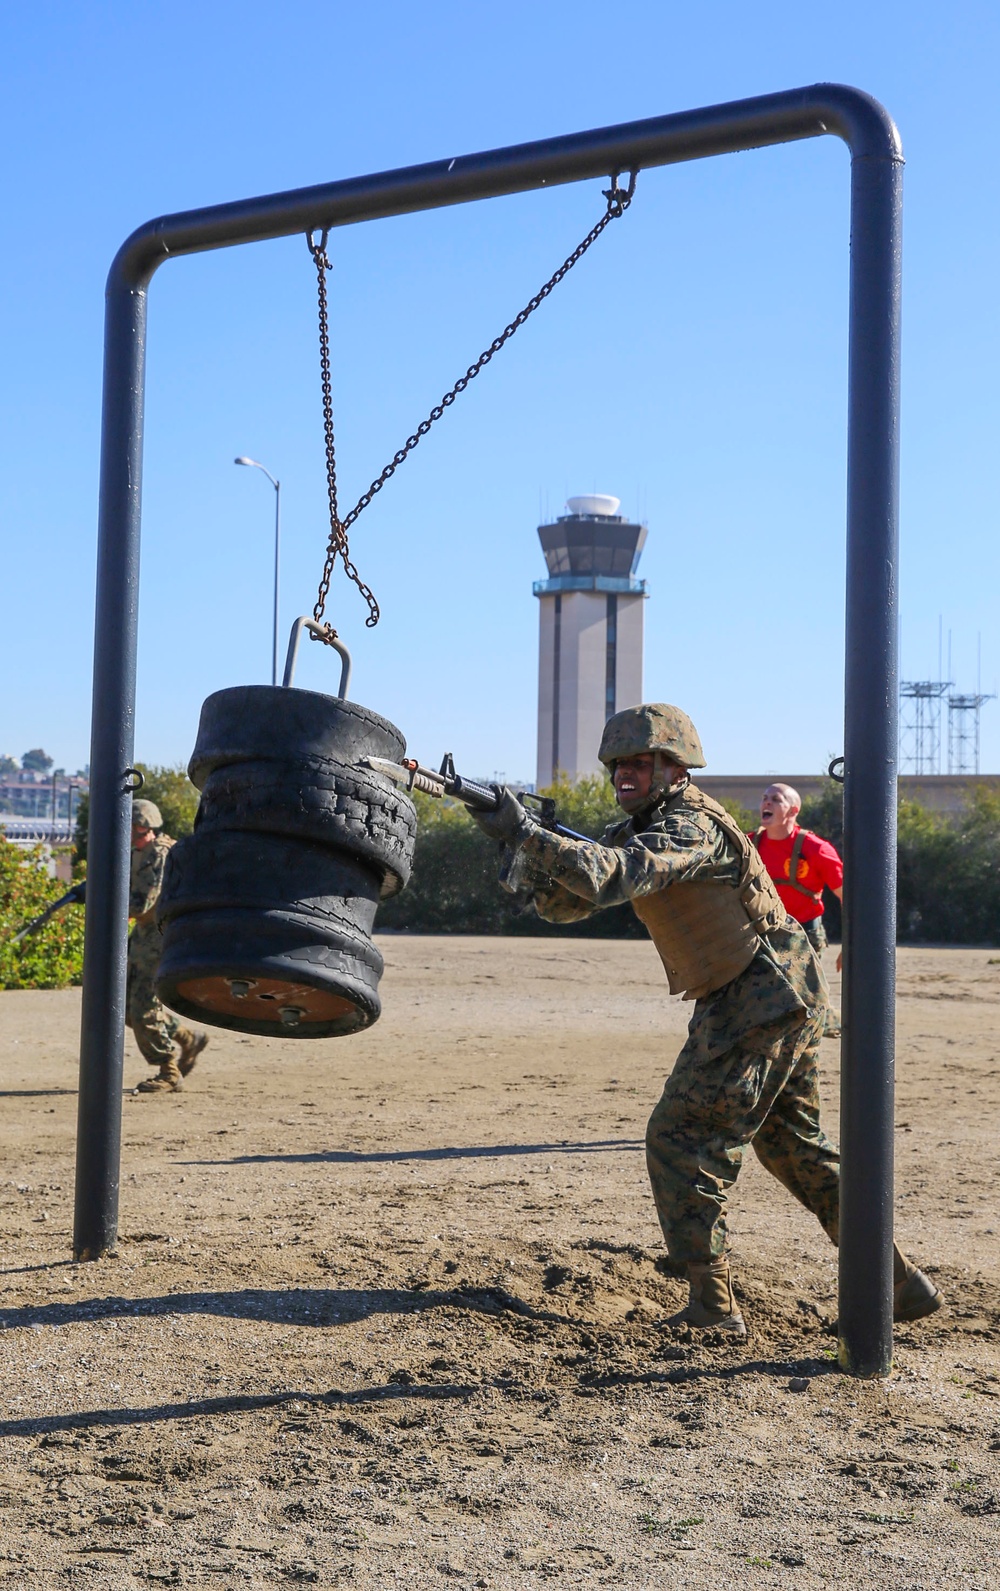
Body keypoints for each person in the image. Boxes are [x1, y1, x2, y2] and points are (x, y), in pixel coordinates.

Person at [471, 704, 942, 1337]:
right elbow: (565, 904)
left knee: (680, 1136)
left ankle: (713, 1306)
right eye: (619, 764)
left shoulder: (691, 825)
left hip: (761, 992)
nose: (626, 774)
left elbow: (613, 878)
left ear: (675, 767)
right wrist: (516, 843)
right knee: (794, 1148)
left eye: (642, 762)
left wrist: (529, 833)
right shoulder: (643, 826)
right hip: (762, 992)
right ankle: (898, 1283)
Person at [128, 798, 207, 1093]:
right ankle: (188, 1038)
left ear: (148, 827)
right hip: (143, 936)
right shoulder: (139, 851)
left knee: (143, 1010)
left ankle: (169, 1071)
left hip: (161, 938)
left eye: (136, 831)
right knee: (123, 1009)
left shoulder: (159, 854)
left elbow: (141, 903)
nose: (132, 837)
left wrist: (100, 898)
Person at [752, 782, 844, 1037]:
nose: (766, 803)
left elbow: (849, 896)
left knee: (803, 999)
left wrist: (850, 946)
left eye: (775, 799)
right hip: (763, 933)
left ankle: (832, 1024)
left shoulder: (815, 849)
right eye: (764, 797)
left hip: (804, 933)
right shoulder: (750, 846)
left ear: (793, 810)